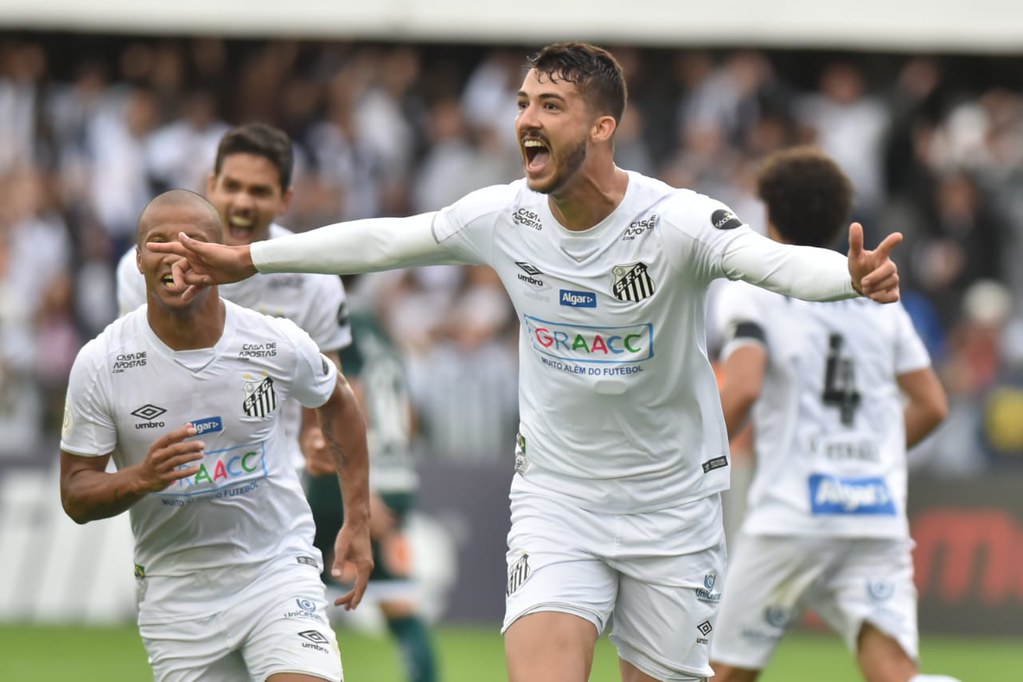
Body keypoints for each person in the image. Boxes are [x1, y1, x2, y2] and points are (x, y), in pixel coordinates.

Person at [151, 42, 905, 682]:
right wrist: (250, 258)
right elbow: (386, 240)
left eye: (550, 106)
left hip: (674, 510)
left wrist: (848, 277)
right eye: (522, 104)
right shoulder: (504, 216)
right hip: (558, 500)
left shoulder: (673, 221)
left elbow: (768, 262)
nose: (526, 120)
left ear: (602, 127)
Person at [60, 189, 373, 682]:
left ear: (218, 256)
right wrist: (140, 478)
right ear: (138, 260)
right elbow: (76, 492)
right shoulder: (102, 363)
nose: (175, 253)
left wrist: (357, 517)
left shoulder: (273, 340)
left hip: (276, 572)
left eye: (192, 240)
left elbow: (339, 400)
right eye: (158, 242)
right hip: (177, 594)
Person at [708, 147, 956, 682]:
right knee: (894, 672)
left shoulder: (753, 290)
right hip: (874, 510)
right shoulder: (878, 295)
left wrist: (686, 463)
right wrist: (871, 458)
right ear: (839, 220)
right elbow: (933, 405)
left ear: (771, 218)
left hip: (792, 514)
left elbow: (744, 387)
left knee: (723, 672)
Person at [115, 122, 353, 478]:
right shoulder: (147, 267)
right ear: (211, 186)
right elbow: (135, 375)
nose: (243, 203)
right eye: (232, 186)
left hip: (273, 481)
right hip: (176, 477)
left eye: (259, 191)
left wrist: (318, 438)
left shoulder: (313, 279)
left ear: (285, 201)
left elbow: (329, 386)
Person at [305, 289, 439, 682]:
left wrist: (365, 493)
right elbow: (409, 416)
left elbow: (349, 403)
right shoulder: (383, 333)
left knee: (298, 589)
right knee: (394, 596)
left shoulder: (339, 327)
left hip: (354, 481)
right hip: (397, 479)